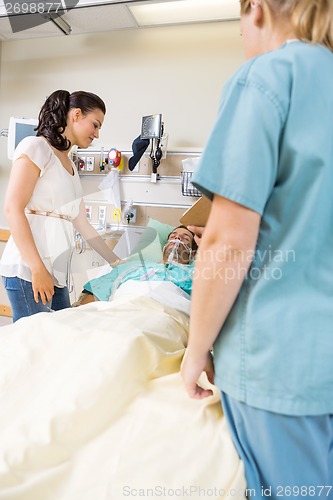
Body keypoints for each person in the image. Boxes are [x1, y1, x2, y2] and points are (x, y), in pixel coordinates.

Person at [181, 0, 333, 497]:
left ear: (258, 11)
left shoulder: (267, 79)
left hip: (281, 365)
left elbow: (227, 242)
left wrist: (195, 349)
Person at [0, 90, 119, 322]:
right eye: (95, 125)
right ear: (76, 115)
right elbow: (12, 208)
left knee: (61, 342)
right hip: (28, 270)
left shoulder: (70, 165)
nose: (97, 133)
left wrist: (116, 263)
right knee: (35, 349)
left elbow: (81, 222)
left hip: (56, 274)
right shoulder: (35, 147)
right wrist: (37, 269)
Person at [72, 225, 198, 306]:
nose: (177, 239)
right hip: (120, 309)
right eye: (173, 236)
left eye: (185, 238)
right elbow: (98, 289)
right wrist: (81, 315)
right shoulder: (134, 267)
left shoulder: (194, 275)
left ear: (192, 255)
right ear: (164, 246)